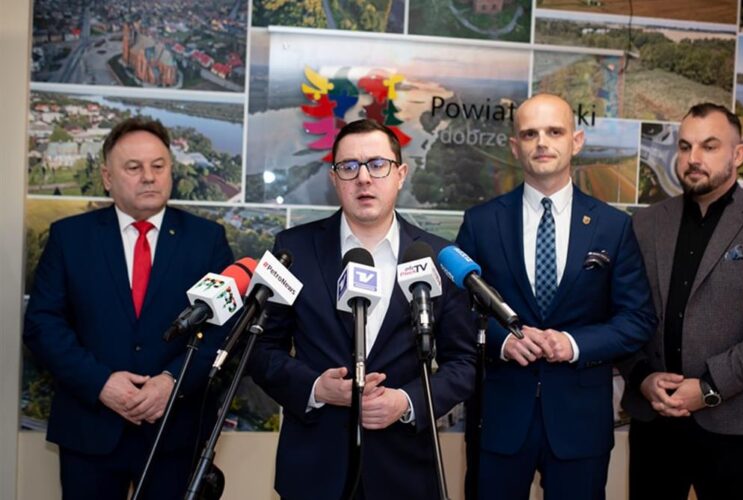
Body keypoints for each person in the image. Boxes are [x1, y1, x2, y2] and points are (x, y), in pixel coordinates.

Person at [248, 119, 476, 500]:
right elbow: (259, 348)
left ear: (400, 175)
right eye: (349, 166)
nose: (364, 178)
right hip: (314, 471)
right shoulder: (293, 250)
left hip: (403, 472)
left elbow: (465, 363)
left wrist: (406, 402)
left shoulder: (435, 257)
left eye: (377, 164)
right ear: (334, 179)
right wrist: (316, 388)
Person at [455, 93, 656, 500]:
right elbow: (458, 311)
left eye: (554, 132)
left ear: (576, 141)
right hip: (500, 418)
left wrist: (573, 343)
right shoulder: (481, 222)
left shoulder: (613, 227)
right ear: (515, 147)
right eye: (530, 134)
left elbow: (637, 319)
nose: (542, 142)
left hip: (580, 422)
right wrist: (504, 342)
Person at [23, 117, 234, 500]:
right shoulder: (70, 238)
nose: (149, 177)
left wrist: (171, 382)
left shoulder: (207, 240)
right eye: (134, 167)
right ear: (107, 177)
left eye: (159, 166)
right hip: (90, 430)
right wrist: (101, 383)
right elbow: (43, 325)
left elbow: (225, 331)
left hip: (174, 433)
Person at [621, 102, 743, 500]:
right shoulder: (645, 223)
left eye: (709, 146)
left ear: (738, 154)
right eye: (685, 146)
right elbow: (624, 313)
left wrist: (707, 388)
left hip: (733, 423)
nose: (693, 158)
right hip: (655, 419)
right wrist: (642, 377)